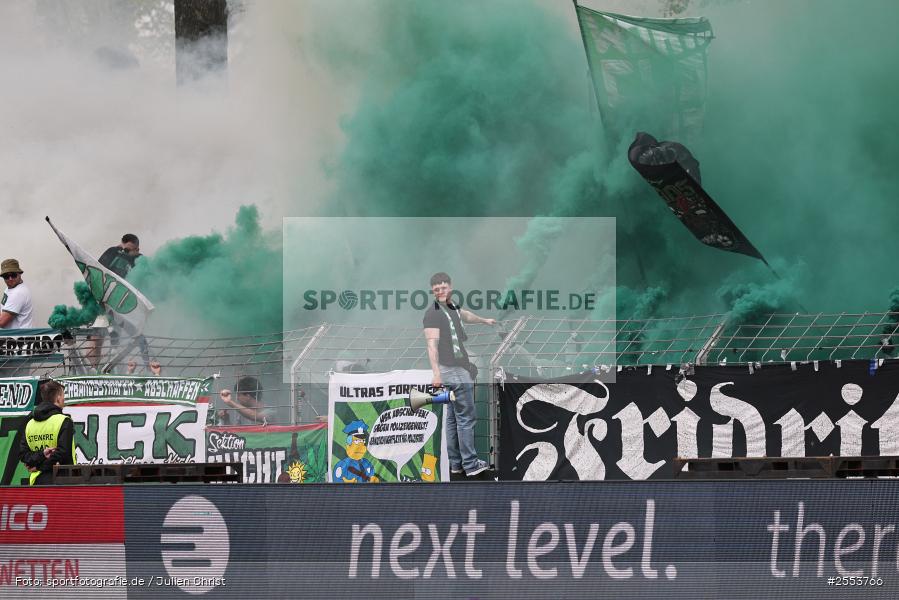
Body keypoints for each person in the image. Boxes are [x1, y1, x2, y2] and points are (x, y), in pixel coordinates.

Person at [422, 272, 496, 478]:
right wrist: (436, 374)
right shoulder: (433, 313)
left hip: (454, 368)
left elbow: (464, 315)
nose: (440, 291)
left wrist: (484, 320)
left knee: (454, 418)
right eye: (436, 289)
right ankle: (471, 464)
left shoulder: (451, 306)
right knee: (466, 417)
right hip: (451, 370)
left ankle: (456, 464)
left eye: (443, 287)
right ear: (432, 291)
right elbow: (431, 345)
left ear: (450, 287)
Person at [18, 380, 75, 485]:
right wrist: (42, 466)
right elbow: (63, 453)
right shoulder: (64, 421)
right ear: (58, 398)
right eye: (63, 395)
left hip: (36, 482)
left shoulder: (29, 424)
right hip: (63, 482)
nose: (64, 399)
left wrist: (39, 459)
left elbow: (24, 455)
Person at [0, 259, 34, 329]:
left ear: (19, 274)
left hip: (19, 338)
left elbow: (2, 322)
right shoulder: (10, 289)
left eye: (13, 275)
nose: (10, 279)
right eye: (6, 276)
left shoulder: (18, 293)